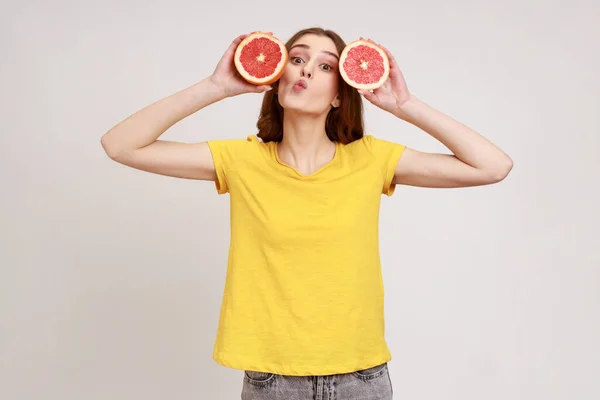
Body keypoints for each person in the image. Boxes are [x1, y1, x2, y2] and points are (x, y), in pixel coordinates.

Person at [101, 27, 513, 400]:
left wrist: (404, 104)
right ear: (277, 77)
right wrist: (215, 87)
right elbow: (121, 145)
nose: (306, 71)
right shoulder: (241, 160)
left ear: (339, 93)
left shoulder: (371, 160)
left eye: (325, 65)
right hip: (273, 381)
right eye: (296, 59)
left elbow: (492, 166)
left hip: (362, 379)